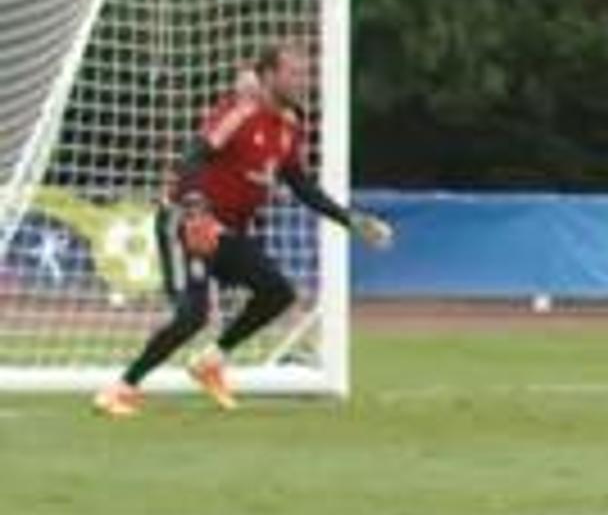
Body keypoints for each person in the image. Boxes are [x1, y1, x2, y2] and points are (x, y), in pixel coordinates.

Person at [94, 35, 390, 417]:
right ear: (267, 75)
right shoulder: (240, 111)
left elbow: (301, 185)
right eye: (293, 73)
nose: (302, 81)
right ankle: (121, 389)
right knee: (192, 315)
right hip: (186, 222)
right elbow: (193, 157)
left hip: (230, 231)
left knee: (278, 292)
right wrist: (196, 210)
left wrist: (350, 220)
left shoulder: (290, 125)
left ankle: (211, 362)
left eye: (305, 73)